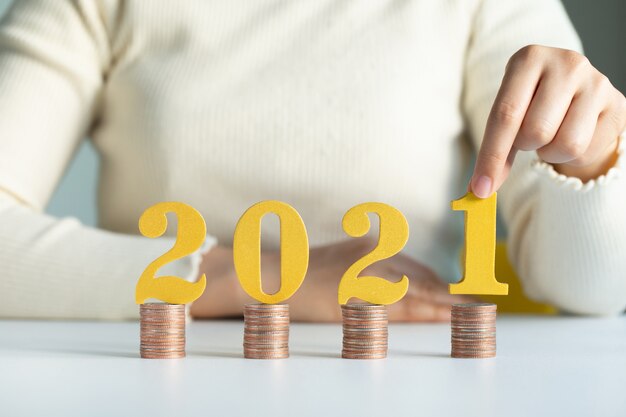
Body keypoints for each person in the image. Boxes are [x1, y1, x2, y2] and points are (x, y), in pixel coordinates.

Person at [0, 0, 624, 322]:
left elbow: (595, 292)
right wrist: (255, 277)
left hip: (401, 386)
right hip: (147, 377)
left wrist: (591, 160)